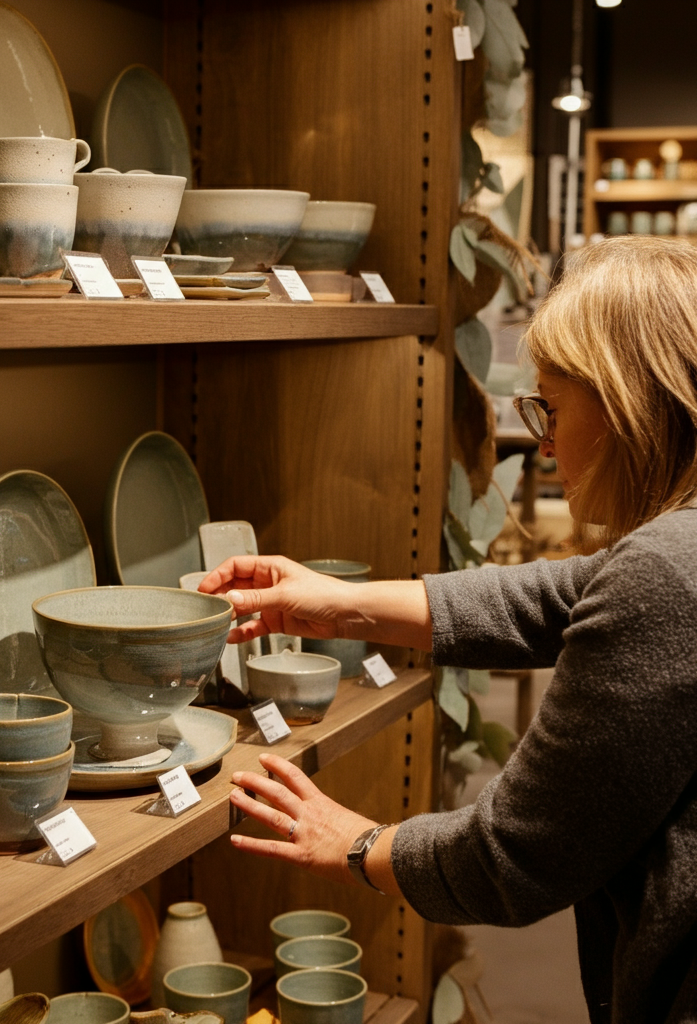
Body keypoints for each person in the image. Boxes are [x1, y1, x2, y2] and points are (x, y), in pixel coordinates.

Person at [199, 236, 697, 1024]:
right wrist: (337, 601)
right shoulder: (677, 553)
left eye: (552, 407)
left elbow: (516, 853)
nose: (545, 441)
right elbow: (554, 595)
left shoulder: (667, 573)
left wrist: (356, 844)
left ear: (628, 404)